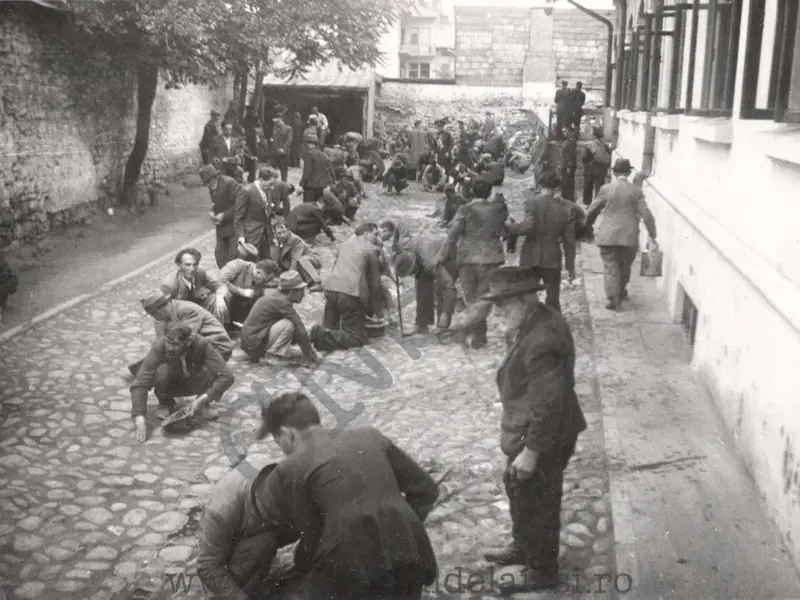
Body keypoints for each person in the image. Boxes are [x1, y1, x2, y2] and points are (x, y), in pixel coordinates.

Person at [252, 392, 439, 600]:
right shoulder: (370, 435)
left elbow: (312, 539)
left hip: (353, 573)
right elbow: (427, 490)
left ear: (287, 434)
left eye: (279, 442)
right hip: (411, 554)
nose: (283, 450)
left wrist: (299, 561)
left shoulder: (290, 467)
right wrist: (401, 527)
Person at [480, 266, 587, 592]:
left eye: (504, 304)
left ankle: (542, 569)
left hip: (543, 435)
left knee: (540, 498)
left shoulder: (543, 338)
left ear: (526, 299)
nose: (498, 312)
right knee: (518, 489)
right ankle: (523, 545)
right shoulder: (534, 320)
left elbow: (549, 404)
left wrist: (531, 452)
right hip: (527, 429)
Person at [197, 459, 289, 599]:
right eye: (271, 516)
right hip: (227, 549)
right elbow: (207, 566)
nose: (276, 521)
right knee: (262, 543)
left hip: (255, 534)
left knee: (268, 541)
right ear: (257, 501)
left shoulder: (284, 480)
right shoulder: (222, 511)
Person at [130, 322, 235, 443]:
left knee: (211, 370)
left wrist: (201, 400)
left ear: (188, 341)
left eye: (175, 344)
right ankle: (165, 402)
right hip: (172, 382)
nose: (169, 347)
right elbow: (139, 383)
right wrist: (140, 422)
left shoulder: (201, 343)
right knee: (161, 372)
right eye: (168, 343)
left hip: (194, 380)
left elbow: (227, 376)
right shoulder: (160, 346)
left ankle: (203, 404)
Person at [435, 178, 507, 349]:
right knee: (484, 296)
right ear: (489, 192)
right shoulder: (497, 209)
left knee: (471, 298)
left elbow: (453, 235)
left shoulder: (465, 210)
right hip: (491, 258)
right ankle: (479, 335)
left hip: (468, 259)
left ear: (472, 192)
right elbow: (504, 221)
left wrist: (442, 255)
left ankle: (475, 333)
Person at [585, 158, 657, 310]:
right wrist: (652, 233)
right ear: (629, 173)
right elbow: (646, 214)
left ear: (613, 172)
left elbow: (593, 209)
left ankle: (612, 297)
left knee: (610, 266)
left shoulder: (606, 189)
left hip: (608, 236)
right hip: (629, 236)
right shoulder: (636, 191)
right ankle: (621, 290)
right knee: (625, 266)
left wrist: (587, 226)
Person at [506, 171, 575, 313]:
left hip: (530, 255)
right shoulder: (565, 208)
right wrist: (570, 265)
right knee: (553, 298)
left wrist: (510, 227)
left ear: (539, 185)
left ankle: (527, 324)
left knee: (527, 295)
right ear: (557, 188)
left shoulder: (532, 203)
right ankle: (552, 327)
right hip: (552, 257)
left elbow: (528, 226)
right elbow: (569, 241)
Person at [312, 223, 383, 352]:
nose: (378, 238)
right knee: (357, 339)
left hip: (331, 289)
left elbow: (336, 266)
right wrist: (379, 313)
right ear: (366, 234)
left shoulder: (343, 245)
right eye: (376, 234)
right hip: (350, 294)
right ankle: (320, 334)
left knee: (331, 330)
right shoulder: (371, 250)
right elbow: (375, 284)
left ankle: (321, 336)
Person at [240, 271, 319, 365]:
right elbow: (299, 328)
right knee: (289, 325)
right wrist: (309, 354)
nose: (303, 295)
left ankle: (272, 351)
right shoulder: (282, 301)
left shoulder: (278, 296)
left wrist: (307, 347)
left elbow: (298, 334)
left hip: (251, 342)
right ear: (291, 291)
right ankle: (272, 356)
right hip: (253, 346)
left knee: (290, 324)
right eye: (301, 291)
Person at [138, 291, 234, 361]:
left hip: (218, 347)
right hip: (204, 344)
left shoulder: (186, 311)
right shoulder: (172, 311)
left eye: (153, 314)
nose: (154, 318)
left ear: (159, 311)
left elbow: (183, 339)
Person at [393, 232, 457, 333]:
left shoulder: (429, 262)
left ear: (415, 264)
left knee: (441, 289)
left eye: (412, 271)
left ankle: (443, 326)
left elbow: (449, 287)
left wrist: (446, 312)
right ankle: (422, 325)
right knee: (422, 285)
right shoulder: (405, 249)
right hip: (428, 250)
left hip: (449, 253)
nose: (412, 275)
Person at [235, 167, 291, 259]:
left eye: (274, 184)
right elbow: (238, 216)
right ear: (261, 180)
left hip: (265, 237)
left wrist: (272, 236)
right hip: (250, 237)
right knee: (251, 265)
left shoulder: (268, 191)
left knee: (266, 264)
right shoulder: (247, 191)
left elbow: (267, 217)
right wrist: (241, 236)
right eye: (270, 184)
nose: (272, 187)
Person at [160, 248, 225, 322]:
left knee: (215, 299)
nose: (192, 269)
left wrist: (219, 297)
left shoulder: (200, 272)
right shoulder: (169, 285)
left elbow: (219, 285)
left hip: (198, 308)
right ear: (179, 265)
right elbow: (162, 313)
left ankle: (217, 329)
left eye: (195, 264)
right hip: (182, 316)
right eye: (187, 265)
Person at [216, 258, 281, 326]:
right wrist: (241, 291)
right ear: (259, 272)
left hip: (239, 309)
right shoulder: (239, 265)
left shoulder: (258, 281)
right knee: (225, 293)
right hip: (222, 302)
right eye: (265, 280)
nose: (266, 283)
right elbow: (221, 280)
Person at [200, 165, 242, 268]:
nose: (207, 186)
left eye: (208, 182)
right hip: (221, 227)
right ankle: (225, 277)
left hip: (235, 225)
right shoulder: (212, 187)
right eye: (205, 183)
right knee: (220, 255)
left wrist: (224, 215)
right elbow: (216, 204)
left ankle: (235, 279)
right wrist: (212, 212)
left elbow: (240, 205)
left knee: (234, 255)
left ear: (214, 178)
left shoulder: (230, 183)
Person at [270, 217, 323, 289]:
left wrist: (288, 279)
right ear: (275, 233)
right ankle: (305, 280)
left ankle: (317, 282)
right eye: (279, 233)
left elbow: (295, 260)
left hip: (311, 258)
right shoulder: (276, 241)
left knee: (302, 260)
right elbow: (275, 260)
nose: (282, 235)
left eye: (284, 232)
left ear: (288, 230)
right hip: (297, 262)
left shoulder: (296, 240)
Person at [581, 126, 611, 206]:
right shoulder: (605, 146)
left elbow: (584, 158)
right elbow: (608, 160)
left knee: (588, 188)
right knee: (599, 189)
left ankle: (587, 204)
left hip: (589, 170)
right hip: (601, 170)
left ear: (594, 135)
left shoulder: (588, 145)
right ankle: (597, 205)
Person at [300, 136, 332, 204]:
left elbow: (307, 171)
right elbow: (329, 167)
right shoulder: (322, 154)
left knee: (307, 206)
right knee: (317, 206)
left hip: (310, 185)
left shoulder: (309, 154)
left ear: (308, 144)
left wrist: (302, 184)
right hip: (321, 186)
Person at [269, 115, 293, 182]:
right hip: (275, 152)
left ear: (281, 121)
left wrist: (283, 149)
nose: (276, 123)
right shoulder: (275, 128)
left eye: (277, 122)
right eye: (275, 122)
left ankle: (284, 184)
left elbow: (289, 140)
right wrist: (272, 140)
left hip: (283, 153)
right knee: (272, 171)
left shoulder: (288, 128)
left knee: (284, 171)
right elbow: (274, 137)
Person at [242, 105, 262, 183]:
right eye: (250, 110)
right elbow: (258, 124)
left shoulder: (247, 118)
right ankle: (252, 177)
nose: (251, 112)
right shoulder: (252, 117)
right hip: (250, 140)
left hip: (250, 140)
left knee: (251, 159)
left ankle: (251, 176)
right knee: (252, 159)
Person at [561, 127, 578, 201]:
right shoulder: (567, 141)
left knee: (568, 183)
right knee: (565, 183)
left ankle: (570, 199)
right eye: (562, 131)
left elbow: (572, 155)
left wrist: (569, 167)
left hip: (568, 166)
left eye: (565, 131)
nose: (563, 133)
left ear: (569, 132)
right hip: (565, 165)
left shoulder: (571, 141)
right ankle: (565, 198)